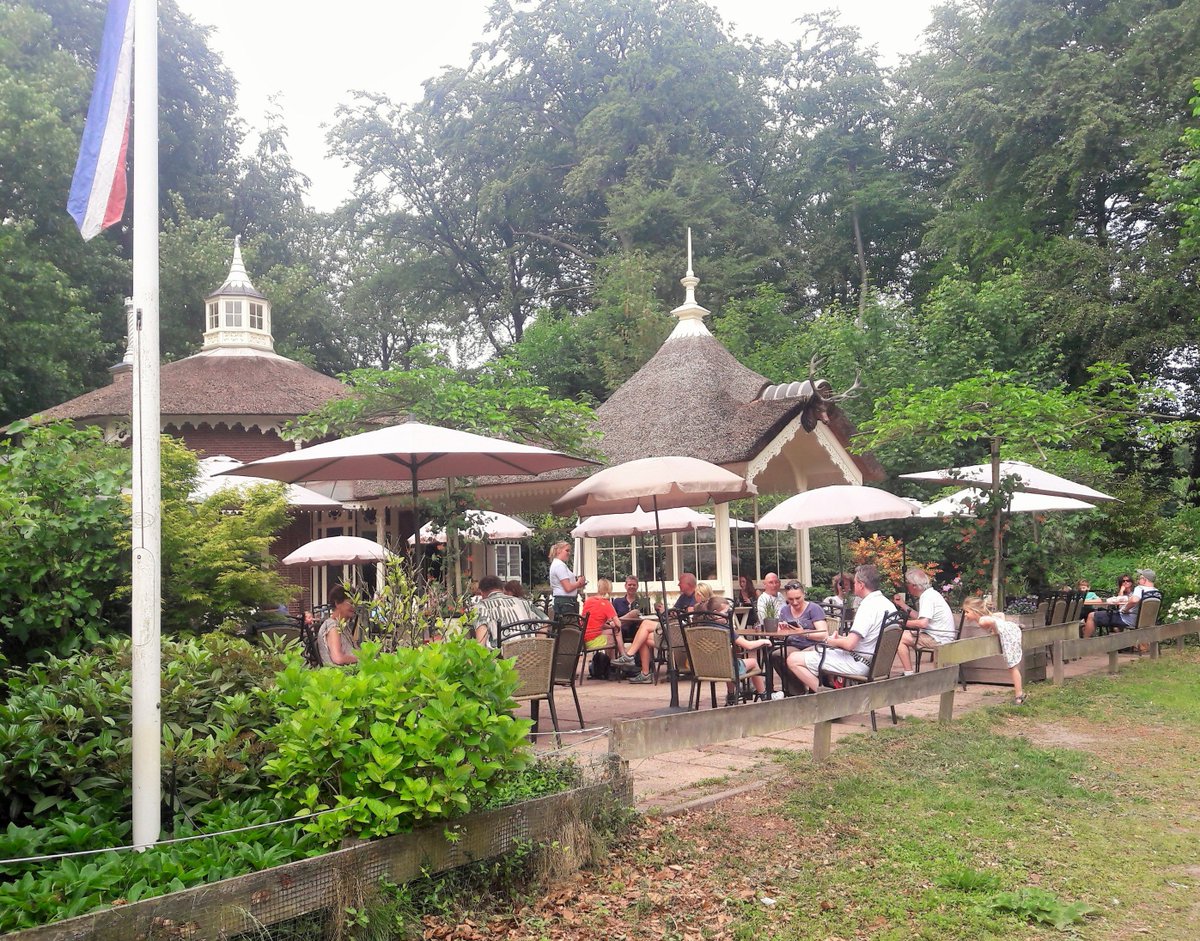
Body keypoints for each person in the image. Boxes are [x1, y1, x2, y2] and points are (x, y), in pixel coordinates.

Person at [786, 564, 896, 694]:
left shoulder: (868, 606)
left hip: (858, 663)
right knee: (812, 654)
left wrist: (831, 641)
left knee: (793, 659)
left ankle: (829, 698)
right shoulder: (888, 605)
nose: (853, 585)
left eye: (854, 582)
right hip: (876, 664)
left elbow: (850, 645)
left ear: (861, 584)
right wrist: (841, 639)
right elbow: (866, 639)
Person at [893, 567, 957, 674]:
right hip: (943, 636)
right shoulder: (931, 594)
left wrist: (901, 623)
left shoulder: (927, 598)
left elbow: (922, 623)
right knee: (905, 634)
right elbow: (920, 617)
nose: (906, 586)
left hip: (939, 639)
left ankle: (908, 673)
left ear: (913, 585)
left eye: (907, 583)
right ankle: (909, 672)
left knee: (900, 637)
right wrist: (902, 605)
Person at [962, 596, 1025, 704]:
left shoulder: (982, 620)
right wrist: (1003, 625)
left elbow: (993, 623)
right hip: (1011, 629)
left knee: (1012, 666)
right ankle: (1017, 626)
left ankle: (1019, 695)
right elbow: (1001, 615)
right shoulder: (987, 616)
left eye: (967, 612)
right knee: (1012, 665)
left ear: (975, 611)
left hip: (1009, 635)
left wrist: (996, 632)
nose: (965, 614)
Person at [709, 595, 770, 702]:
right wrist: (763, 641)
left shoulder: (702, 627)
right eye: (726, 612)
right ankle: (763, 694)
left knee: (729, 661)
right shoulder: (726, 630)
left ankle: (731, 696)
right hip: (728, 669)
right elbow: (748, 645)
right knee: (753, 662)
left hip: (707, 669)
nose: (729, 615)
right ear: (715, 613)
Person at [471, 574, 548, 647]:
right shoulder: (524, 602)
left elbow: (480, 642)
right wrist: (539, 649)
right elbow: (545, 620)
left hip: (502, 659)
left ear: (481, 592)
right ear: (502, 589)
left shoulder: (482, 606)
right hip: (529, 657)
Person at [1083, 572, 1140, 637]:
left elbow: (1120, 601)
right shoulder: (1123, 593)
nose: (1125, 582)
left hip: (1127, 616)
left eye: (1128, 581)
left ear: (1131, 582)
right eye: (1123, 581)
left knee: (1091, 615)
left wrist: (1121, 591)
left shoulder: (1135, 593)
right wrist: (1121, 591)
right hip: (1123, 615)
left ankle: (1085, 641)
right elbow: (1118, 604)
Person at [580, 578, 626, 655]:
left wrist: (608, 626)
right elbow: (618, 624)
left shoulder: (588, 600)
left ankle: (612, 662)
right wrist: (613, 625)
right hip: (593, 641)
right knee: (617, 632)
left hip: (584, 639)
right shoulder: (606, 603)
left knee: (611, 633)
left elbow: (592, 622)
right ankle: (622, 655)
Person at [317, 585, 359, 666]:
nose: (354, 607)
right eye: (350, 603)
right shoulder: (332, 626)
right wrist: (360, 658)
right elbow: (338, 658)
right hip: (339, 675)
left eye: (355, 603)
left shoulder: (343, 626)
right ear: (337, 603)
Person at [548, 542, 586, 617]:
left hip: (564, 601)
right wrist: (579, 582)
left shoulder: (558, 564)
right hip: (565, 603)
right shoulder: (559, 566)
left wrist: (578, 584)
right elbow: (568, 588)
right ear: (559, 551)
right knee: (570, 627)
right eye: (567, 550)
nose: (569, 553)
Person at [612, 576, 650, 644]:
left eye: (634, 585)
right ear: (625, 586)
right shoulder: (617, 601)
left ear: (637, 586)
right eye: (629, 585)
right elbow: (612, 619)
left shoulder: (643, 601)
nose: (632, 586)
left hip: (639, 630)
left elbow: (648, 617)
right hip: (621, 631)